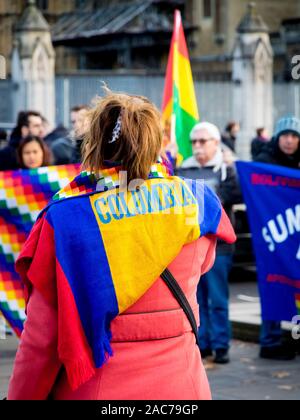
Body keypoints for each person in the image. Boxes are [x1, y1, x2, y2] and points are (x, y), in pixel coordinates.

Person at [7, 91, 236, 400]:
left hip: (97, 388)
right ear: (155, 142)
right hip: (183, 385)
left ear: (95, 144)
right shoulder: (197, 200)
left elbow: (41, 340)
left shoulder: (64, 219)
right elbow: (205, 261)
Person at [176, 122, 242, 364]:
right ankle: (202, 344)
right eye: (194, 141)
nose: (197, 146)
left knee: (218, 300)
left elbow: (232, 196)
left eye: (203, 141)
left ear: (216, 143)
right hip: (190, 246)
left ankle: (221, 345)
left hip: (219, 247)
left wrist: (231, 168)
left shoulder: (226, 170)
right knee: (196, 299)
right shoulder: (182, 169)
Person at [254, 115, 300, 360]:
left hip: (295, 236)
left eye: (294, 136)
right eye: (286, 135)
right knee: (274, 285)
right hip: (272, 237)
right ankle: (269, 342)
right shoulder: (264, 161)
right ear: (277, 137)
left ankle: (294, 338)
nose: (290, 141)